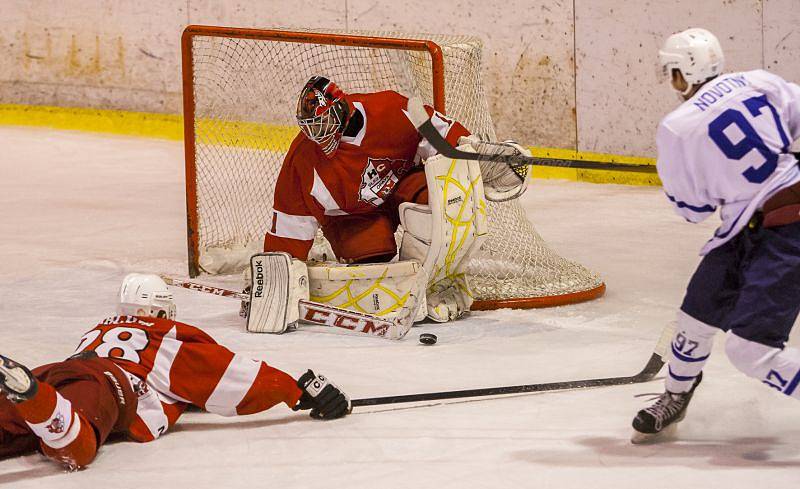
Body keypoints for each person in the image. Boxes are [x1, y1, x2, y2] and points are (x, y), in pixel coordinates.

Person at [631, 27, 800, 443]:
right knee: (695, 314)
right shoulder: (759, 80)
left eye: (671, 72)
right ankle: (675, 395)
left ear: (682, 73)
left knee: (749, 349)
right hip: (748, 226)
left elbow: (692, 210)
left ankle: (677, 390)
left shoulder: (677, 128)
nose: (671, 82)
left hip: (786, 231)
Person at [0, 274, 349, 470]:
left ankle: (28, 395)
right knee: (75, 445)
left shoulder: (100, 328)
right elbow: (230, 377)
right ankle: (35, 398)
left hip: (58, 372)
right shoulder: (164, 335)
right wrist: (296, 391)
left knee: (16, 428)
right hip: (105, 386)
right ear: (162, 311)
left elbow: (180, 387)